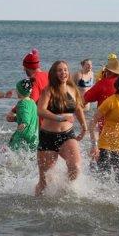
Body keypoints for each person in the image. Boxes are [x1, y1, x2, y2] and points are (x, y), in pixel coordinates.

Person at [35, 61, 88, 195]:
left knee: (75, 167)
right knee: (45, 181)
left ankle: (63, 188)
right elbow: (40, 111)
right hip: (48, 137)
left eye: (65, 70)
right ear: (54, 73)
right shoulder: (49, 90)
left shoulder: (72, 89)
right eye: (59, 70)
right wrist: (60, 117)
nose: (63, 73)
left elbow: (78, 108)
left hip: (67, 135)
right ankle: (35, 206)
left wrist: (84, 127)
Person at [7, 79, 39, 152]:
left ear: (20, 91)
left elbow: (26, 117)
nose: (16, 90)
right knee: (30, 154)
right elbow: (30, 116)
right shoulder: (32, 102)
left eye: (17, 89)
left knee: (11, 149)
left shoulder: (22, 103)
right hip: (34, 134)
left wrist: (24, 123)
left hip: (24, 133)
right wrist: (16, 118)